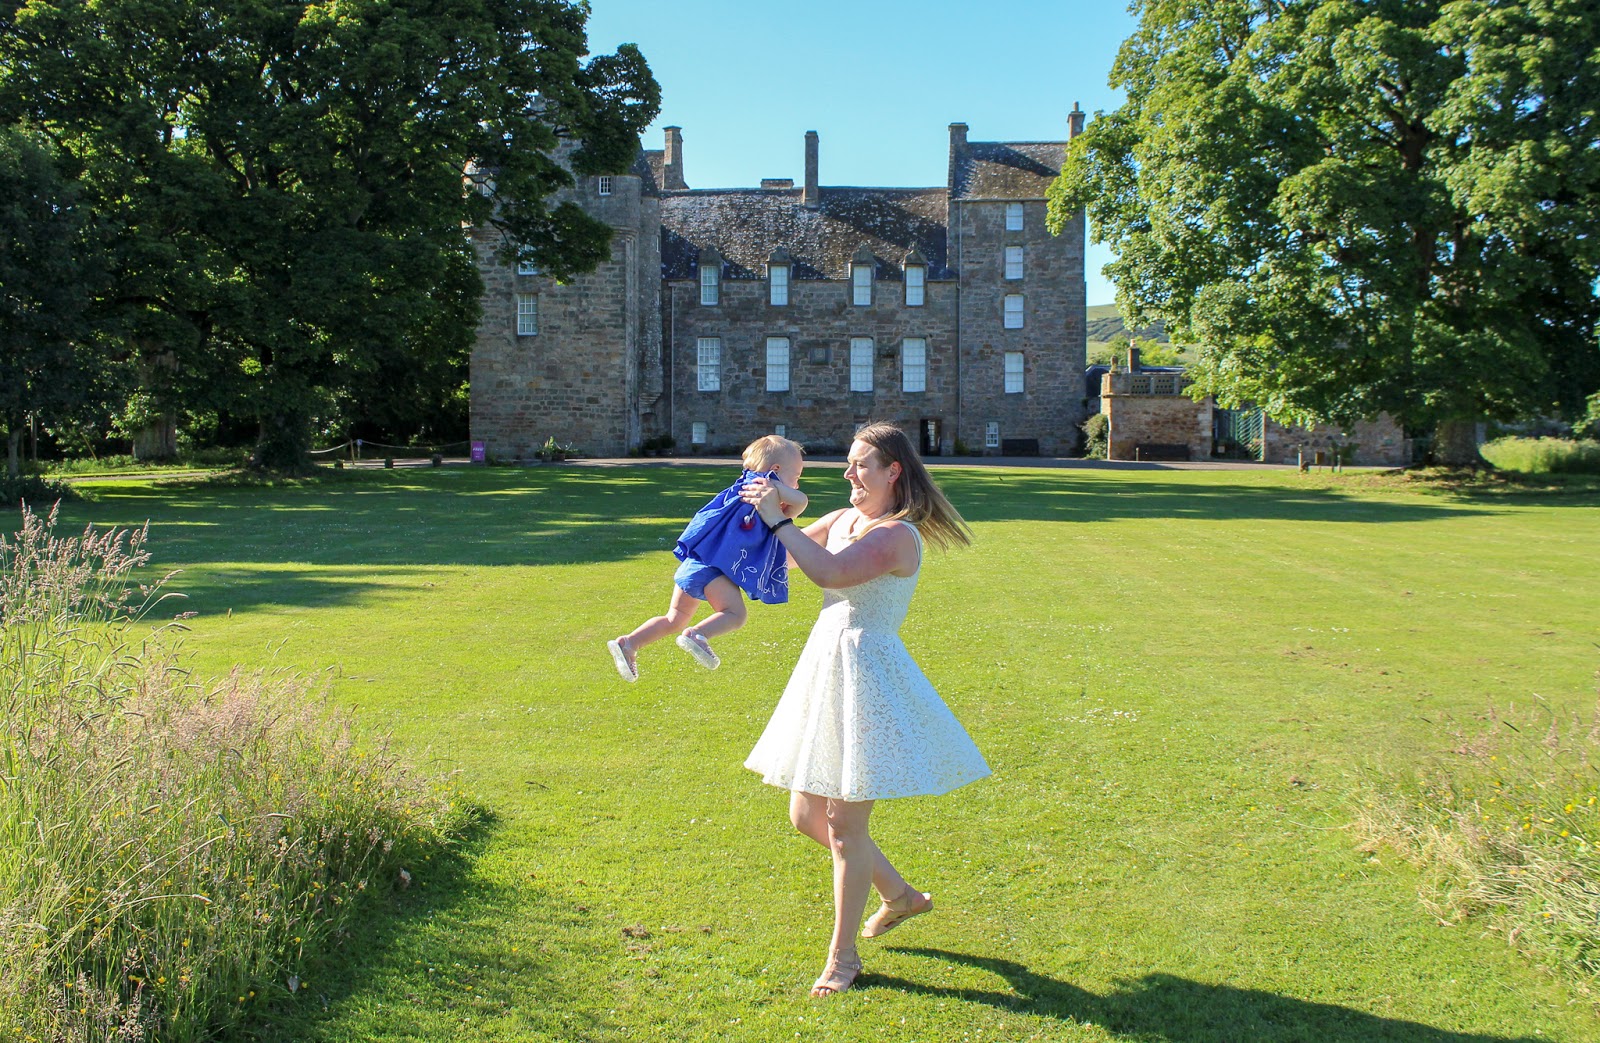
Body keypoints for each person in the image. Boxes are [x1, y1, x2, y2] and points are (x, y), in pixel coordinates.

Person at [739, 422, 989, 997]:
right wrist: (745, 523)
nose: (849, 475)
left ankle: (842, 959)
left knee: (846, 827)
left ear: (892, 471)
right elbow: (791, 554)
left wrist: (782, 520)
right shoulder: (846, 519)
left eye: (860, 466)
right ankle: (902, 897)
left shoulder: (897, 537)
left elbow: (829, 571)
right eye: (848, 465)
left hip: (867, 677)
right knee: (806, 816)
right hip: (825, 668)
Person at [608, 435, 808, 681]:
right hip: (715, 570)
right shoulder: (767, 495)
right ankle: (697, 635)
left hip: (693, 564)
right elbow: (800, 503)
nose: (797, 485)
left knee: (674, 618)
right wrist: (779, 487)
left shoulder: (738, 491)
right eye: (796, 477)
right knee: (736, 614)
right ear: (775, 471)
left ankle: (629, 643)